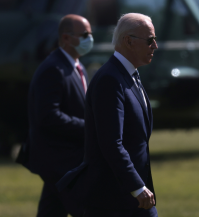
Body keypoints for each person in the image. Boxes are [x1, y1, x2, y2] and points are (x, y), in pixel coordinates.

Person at [56, 13, 158, 216]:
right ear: (128, 41)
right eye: (150, 40)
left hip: (131, 197)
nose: (155, 46)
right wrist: (137, 187)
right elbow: (111, 143)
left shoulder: (130, 76)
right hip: (114, 199)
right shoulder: (110, 80)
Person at [26, 14, 93, 217]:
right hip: (61, 162)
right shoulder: (53, 69)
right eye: (84, 34)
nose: (89, 38)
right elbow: (48, 116)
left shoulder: (77, 66)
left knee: (51, 210)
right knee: (89, 210)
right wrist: (89, 127)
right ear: (65, 38)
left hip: (66, 162)